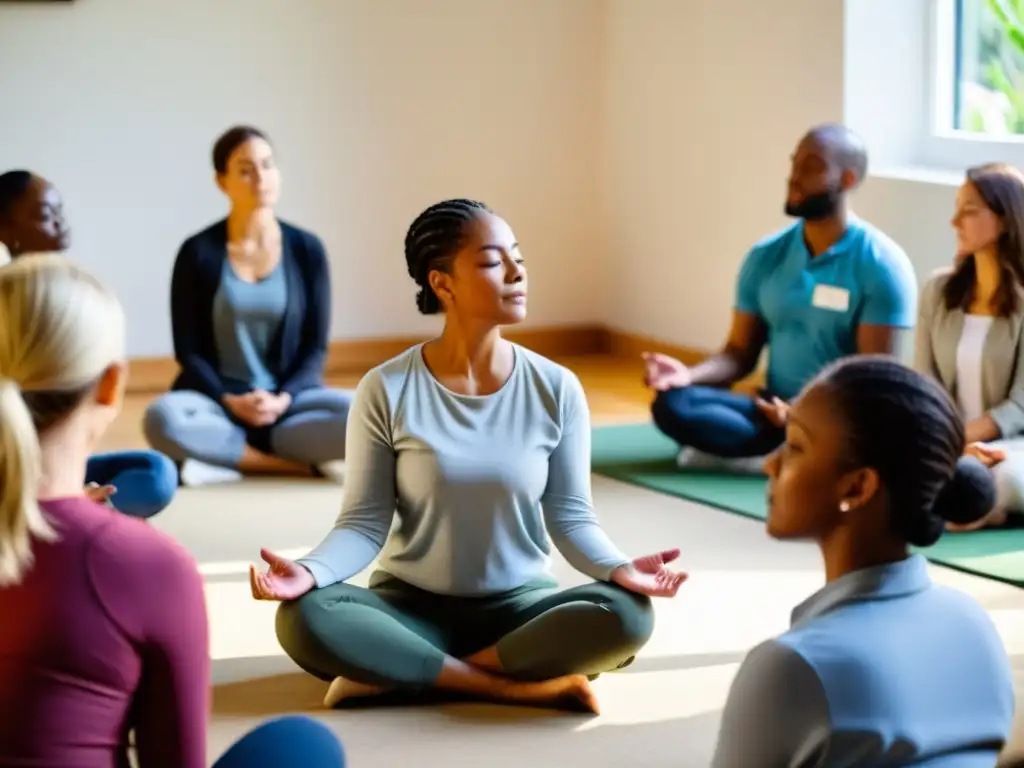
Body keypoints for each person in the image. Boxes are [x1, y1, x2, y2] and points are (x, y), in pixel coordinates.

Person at [250, 198, 686, 713]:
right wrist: (311, 570)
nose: (516, 270)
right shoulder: (386, 388)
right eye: (491, 261)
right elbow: (365, 521)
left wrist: (618, 568)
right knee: (306, 615)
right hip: (407, 606)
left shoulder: (557, 388)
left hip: (519, 608)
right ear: (443, 283)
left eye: (518, 257)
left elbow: (570, 515)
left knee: (627, 615)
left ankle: (401, 671)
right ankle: (509, 684)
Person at [0, 255, 346, 767]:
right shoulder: (148, 566)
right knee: (306, 747)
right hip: (218, 417)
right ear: (111, 385)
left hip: (276, 410)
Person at [711, 355, 1015, 767]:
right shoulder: (973, 622)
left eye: (796, 447)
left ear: (857, 487)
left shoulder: (792, 668)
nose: (771, 463)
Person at [643, 124, 918, 472]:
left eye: (811, 167)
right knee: (673, 404)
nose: (794, 177)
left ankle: (788, 449)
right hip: (771, 409)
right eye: (794, 164)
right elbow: (738, 353)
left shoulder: (881, 266)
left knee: (863, 426)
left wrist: (803, 412)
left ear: (847, 180)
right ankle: (785, 453)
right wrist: (687, 376)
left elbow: (875, 383)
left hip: (837, 415)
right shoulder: (766, 255)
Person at [142, 126, 352, 485]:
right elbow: (188, 352)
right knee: (162, 418)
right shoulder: (197, 253)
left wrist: (282, 400)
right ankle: (281, 465)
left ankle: (229, 454)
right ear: (222, 181)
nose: (260, 178)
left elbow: (315, 349)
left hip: (287, 410)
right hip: (217, 406)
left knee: (366, 414)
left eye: (268, 165)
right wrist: (230, 400)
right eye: (245, 169)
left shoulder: (307, 250)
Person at [0, 169, 178, 519]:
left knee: (155, 473)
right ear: (5, 231)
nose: (60, 223)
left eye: (59, 211)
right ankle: (59, 511)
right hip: (12, 469)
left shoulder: (66, 295)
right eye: (44, 215)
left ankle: (63, 510)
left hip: (54, 465)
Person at [916, 163, 1024, 532]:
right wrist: (946, 443)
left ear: (1006, 219)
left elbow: (1020, 406)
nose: (954, 221)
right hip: (949, 443)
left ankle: (970, 502)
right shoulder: (937, 291)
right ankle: (967, 505)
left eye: (969, 209)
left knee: (1007, 477)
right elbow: (923, 384)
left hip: (1010, 447)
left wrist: (960, 441)